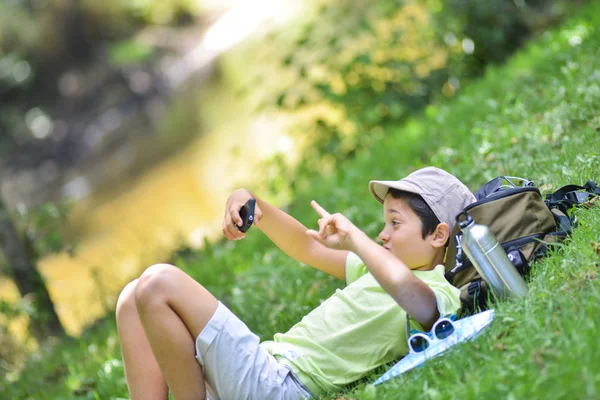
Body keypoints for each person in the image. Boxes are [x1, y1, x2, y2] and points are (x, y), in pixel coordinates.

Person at [115, 166, 476, 400]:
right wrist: (253, 204)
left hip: (284, 387)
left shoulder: (440, 293)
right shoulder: (376, 269)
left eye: (395, 224)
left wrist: (356, 239)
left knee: (160, 282)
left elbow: (411, 296)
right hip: (262, 368)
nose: (382, 235)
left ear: (438, 235)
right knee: (132, 298)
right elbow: (305, 245)